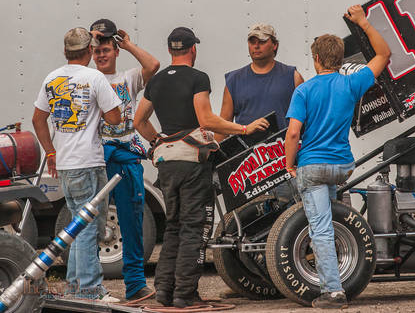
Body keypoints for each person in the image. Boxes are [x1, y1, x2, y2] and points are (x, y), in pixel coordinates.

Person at [134, 27, 269, 308]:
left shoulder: (156, 82)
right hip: (193, 163)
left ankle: (164, 291)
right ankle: (185, 294)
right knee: (195, 228)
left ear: (171, 51)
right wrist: (244, 128)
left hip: (166, 163)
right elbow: (206, 119)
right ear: (193, 49)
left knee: (173, 227)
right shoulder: (198, 78)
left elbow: (139, 122)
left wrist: (158, 140)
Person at [284, 4, 391, 309]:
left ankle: (333, 292)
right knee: (329, 218)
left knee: (320, 228)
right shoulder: (349, 83)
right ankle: (342, 267)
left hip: (313, 166)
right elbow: (383, 55)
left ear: (316, 58)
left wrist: (290, 163)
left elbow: (293, 133)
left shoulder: (304, 91)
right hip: (342, 166)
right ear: (341, 59)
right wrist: (363, 23)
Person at [32, 27, 122, 303]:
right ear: (89, 51)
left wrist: (50, 152)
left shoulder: (51, 78)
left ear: (65, 51)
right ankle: (90, 290)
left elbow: (38, 119)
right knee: (88, 226)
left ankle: (74, 286)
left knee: (77, 226)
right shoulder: (94, 77)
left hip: (66, 163)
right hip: (89, 161)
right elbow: (116, 117)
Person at [90, 18, 160, 301]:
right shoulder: (88, 78)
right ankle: (92, 287)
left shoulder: (128, 78)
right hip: (96, 158)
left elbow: (154, 66)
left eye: (107, 49)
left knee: (132, 221)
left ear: (115, 51)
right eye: (97, 50)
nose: (102, 55)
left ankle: (135, 285)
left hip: (127, 158)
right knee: (92, 225)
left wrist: (128, 43)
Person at [217, 23, 304, 139]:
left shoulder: (293, 76)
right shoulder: (234, 80)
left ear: (274, 45)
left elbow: (306, 121)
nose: (256, 46)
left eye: (262, 42)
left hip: (283, 153)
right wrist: (215, 155)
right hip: (247, 156)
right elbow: (223, 127)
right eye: (252, 42)